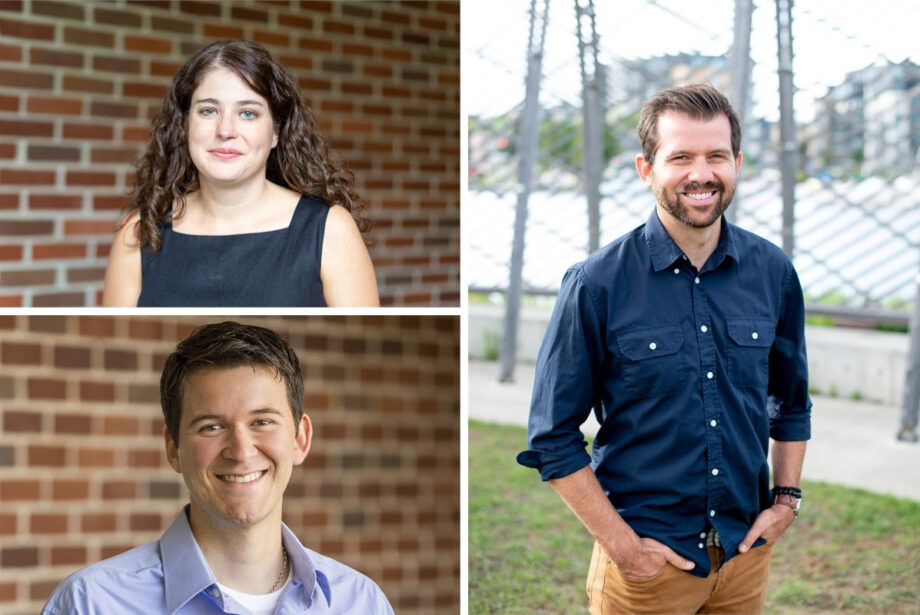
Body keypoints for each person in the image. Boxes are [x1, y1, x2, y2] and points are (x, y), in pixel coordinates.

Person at [516, 84, 811, 614]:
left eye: (716, 156)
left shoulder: (775, 273)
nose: (701, 174)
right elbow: (552, 437)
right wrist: (624, 548)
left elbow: (790, 404)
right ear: (646, 169)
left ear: (737, 163)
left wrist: (786, 501)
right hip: (648, 570)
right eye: (680, 157)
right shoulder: (595, 284)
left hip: (744, 559)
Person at [43, 321, 394, 615]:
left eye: (262, 422)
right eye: (211, 426)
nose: (241, 451)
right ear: (173, 448)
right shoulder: (91, 604)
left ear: (300, 439)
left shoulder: (363, 603)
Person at [103, 40, 379, 307]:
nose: (225, 130)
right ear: (185, 124)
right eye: (209, 110)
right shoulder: (140, 232)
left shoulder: (329, 229)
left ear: (276, 133)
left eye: (248, 113)